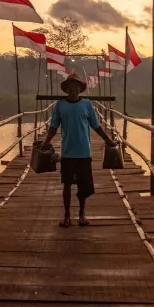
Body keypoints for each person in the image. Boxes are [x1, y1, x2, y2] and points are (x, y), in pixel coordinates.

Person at [41, 72, 116, 227]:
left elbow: (96, 125)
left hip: (83, 151)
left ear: (79, 89)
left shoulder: (87, 105)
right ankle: (67, 215)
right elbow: (53, 126)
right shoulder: (60, 106)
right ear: (66, 89)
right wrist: (46, 142)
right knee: (67, 184)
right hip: (67, 151)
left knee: (84, 185)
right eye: (70, 87)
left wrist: (108, 140)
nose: (73, 90)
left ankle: (82, 213)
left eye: (75, 87)